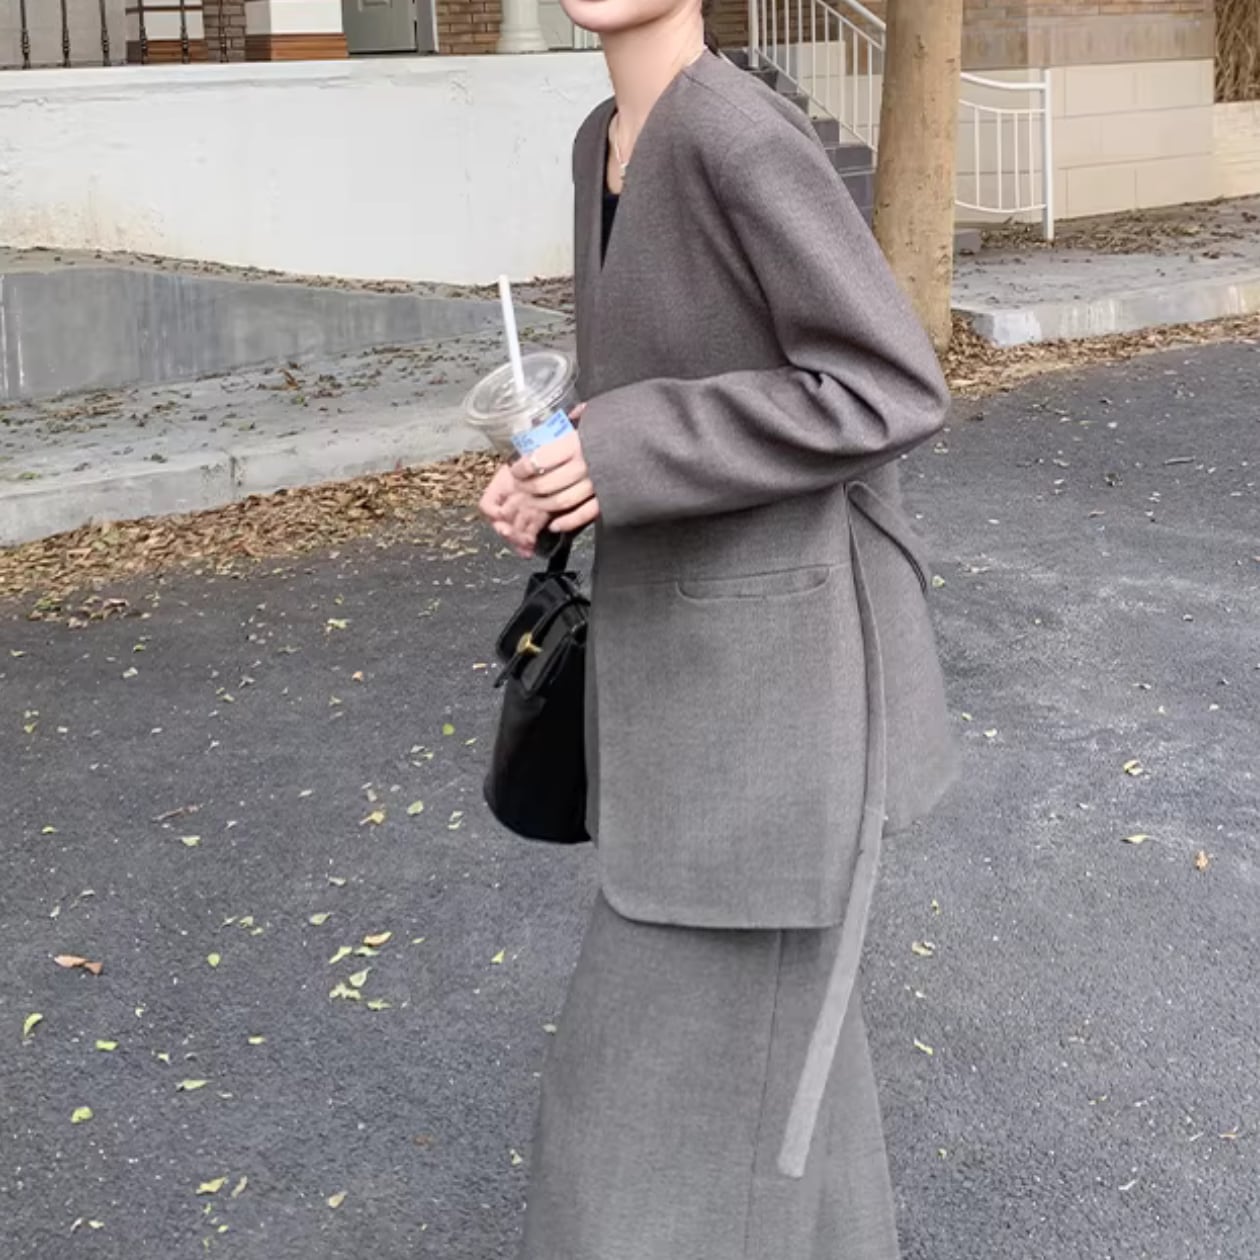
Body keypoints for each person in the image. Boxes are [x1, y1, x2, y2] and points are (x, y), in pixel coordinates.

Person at [477, 0, 958, 1251]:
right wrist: (556, 470)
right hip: (691, 682)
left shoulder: (738, 137)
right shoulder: (603, 138)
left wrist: (624, 449)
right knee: (786, 1092)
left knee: (627, 1121)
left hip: (777, 706)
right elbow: (664, 377)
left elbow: (889, 384)